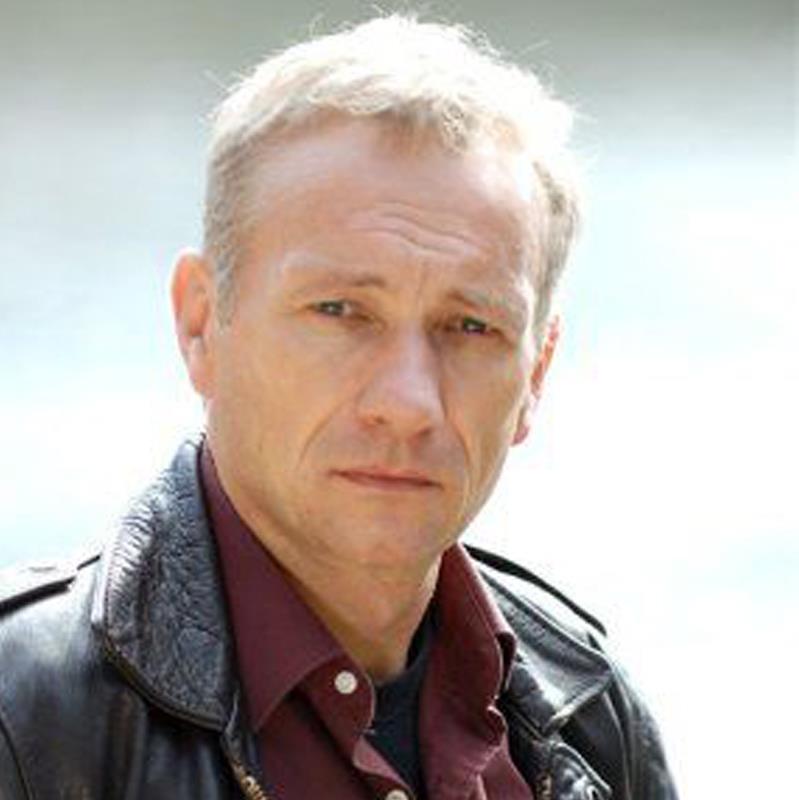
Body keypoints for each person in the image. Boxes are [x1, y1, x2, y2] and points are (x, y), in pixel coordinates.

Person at [0, 15, 678, 800]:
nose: (408, 403)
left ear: (536, 372)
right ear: (201, 324)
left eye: (470, 327)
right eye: (341, 312)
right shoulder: (24, 716)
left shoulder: (593, 718)